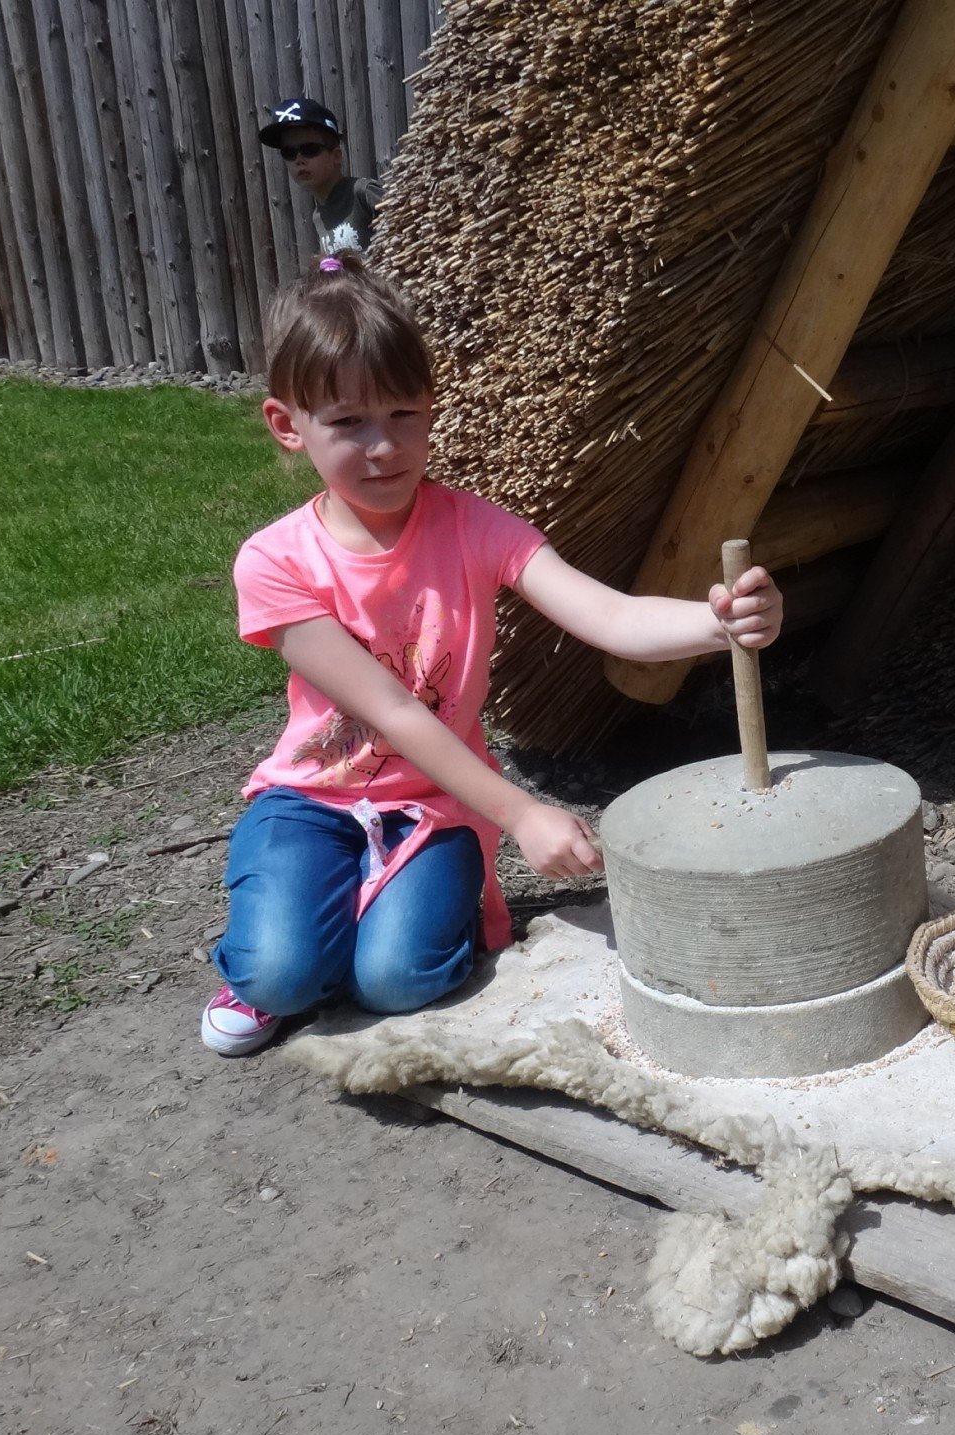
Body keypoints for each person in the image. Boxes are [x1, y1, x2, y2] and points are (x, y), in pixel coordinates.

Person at [200, 251, 783, 1056]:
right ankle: (269, 963)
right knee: (283, 975)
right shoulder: (274, 562)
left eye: (405, 414)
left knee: (398, 982)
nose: (382, 447)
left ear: (432, 410)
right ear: (286, 426)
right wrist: (523, 811)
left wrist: (719, 624)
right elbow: (395, 710)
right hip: (312, 802)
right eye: (346, 423)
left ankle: (402, 899)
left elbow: (607, 616)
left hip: (439, 800)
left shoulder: (476, 527)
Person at [258, 97, 381, 255]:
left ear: (336, 156)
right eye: (289, 153)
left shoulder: (363, 193)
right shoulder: (318, 216)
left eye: (310, 149)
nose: (299, 160)